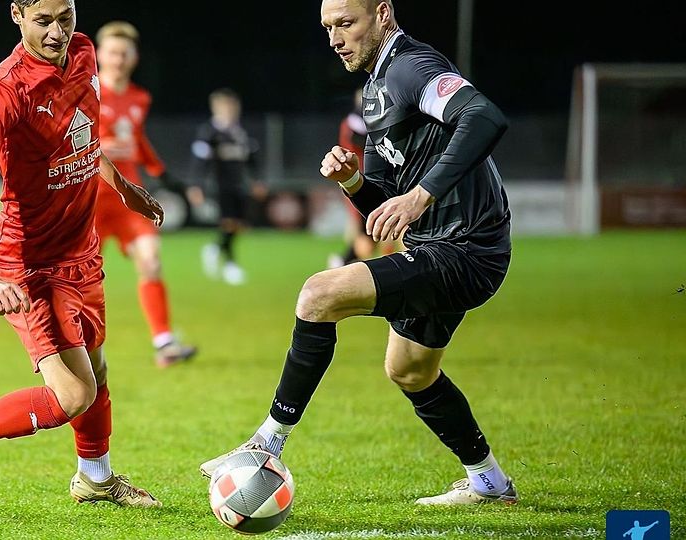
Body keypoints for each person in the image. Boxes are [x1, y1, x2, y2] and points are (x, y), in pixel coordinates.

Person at [201, 0, 517, 506]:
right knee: (410, 369)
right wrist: (352, 181)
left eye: (346, 23)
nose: (335, 38)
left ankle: (267, 442)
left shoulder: (411, 66)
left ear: (384, 15)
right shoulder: (373, 95)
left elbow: (483, 116)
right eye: (328, 28)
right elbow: (382, 205)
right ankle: (490, 483)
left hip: (467, 247)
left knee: (318, 294)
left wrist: (422, 195)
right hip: (438, 245)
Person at [0, 0, 164, 508]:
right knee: (73, 396)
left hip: (82, 251)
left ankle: (95, 479)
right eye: (44, 20)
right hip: (30, 267)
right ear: (17, 15)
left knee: (97, 372)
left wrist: (121, 186)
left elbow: (84, 140)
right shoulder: (3, 93)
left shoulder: (84, 53)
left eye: (66, 17)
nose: (57, 32)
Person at [93, 20, 197, 368]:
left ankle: (164, 342)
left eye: (124, 53)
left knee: (151, 260)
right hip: (89, 197)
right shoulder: (85, 91)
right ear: (98, 54)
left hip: (129, 197)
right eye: (112, 52)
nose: (118, 59)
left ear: (134, 57)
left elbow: (138, 142)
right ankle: (76, 347)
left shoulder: (140, 98)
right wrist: (102, 146)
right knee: (84, 276)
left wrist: (166, 177)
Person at [188, 88, 266, 286]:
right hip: (220, 184)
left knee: (240, 225)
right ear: (216, 108)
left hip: (240, 184)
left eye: (233, 107)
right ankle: (231, 264)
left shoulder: (240, 132)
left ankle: (215, 248)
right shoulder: (210, 133)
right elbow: (200, 161)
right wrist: (197, 185)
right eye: (226, 107)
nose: (230, 110)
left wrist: (257, 180)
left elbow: (250, 158)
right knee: (229, 222)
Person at [328, 89, 399, 269]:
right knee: (371, 228)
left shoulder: (357, 120)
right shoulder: (356, 121)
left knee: (373, 228)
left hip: (366, 178)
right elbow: (363, 140)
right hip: (362, 179)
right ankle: (346, 262)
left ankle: (346, 261)